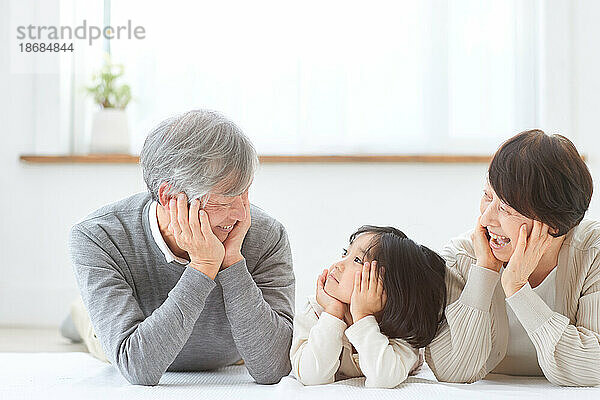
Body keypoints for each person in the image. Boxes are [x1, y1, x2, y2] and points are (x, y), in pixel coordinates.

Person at [68, 110, 295, 386]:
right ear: (168, 196)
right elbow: (138, 367)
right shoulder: (97, 237)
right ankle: (79, 313)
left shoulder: (267, 234)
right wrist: (203, 266)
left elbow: (273, 367)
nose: (239, 214)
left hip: (230, 355)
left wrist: (232, 262)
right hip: (112, 340)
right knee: (90, 323)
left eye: (244, 194)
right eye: (222, 202)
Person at [426, 130, 600, 386]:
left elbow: (592, 368)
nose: (486, 219)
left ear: (552, 223)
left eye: (505, 208)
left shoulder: (592, 254)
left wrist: (518, 289)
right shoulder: (461, 257)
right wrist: (484, 273)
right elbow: (450, 370)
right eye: (487, 196)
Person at [290, 225, 446, 388]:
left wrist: (362, 316)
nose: (338, 264)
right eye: (345, 252)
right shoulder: (317, 310)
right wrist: (333, 313)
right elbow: (312, 377)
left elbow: (383, 379)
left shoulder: (402, 327)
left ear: (389, 287)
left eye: (357, 260)